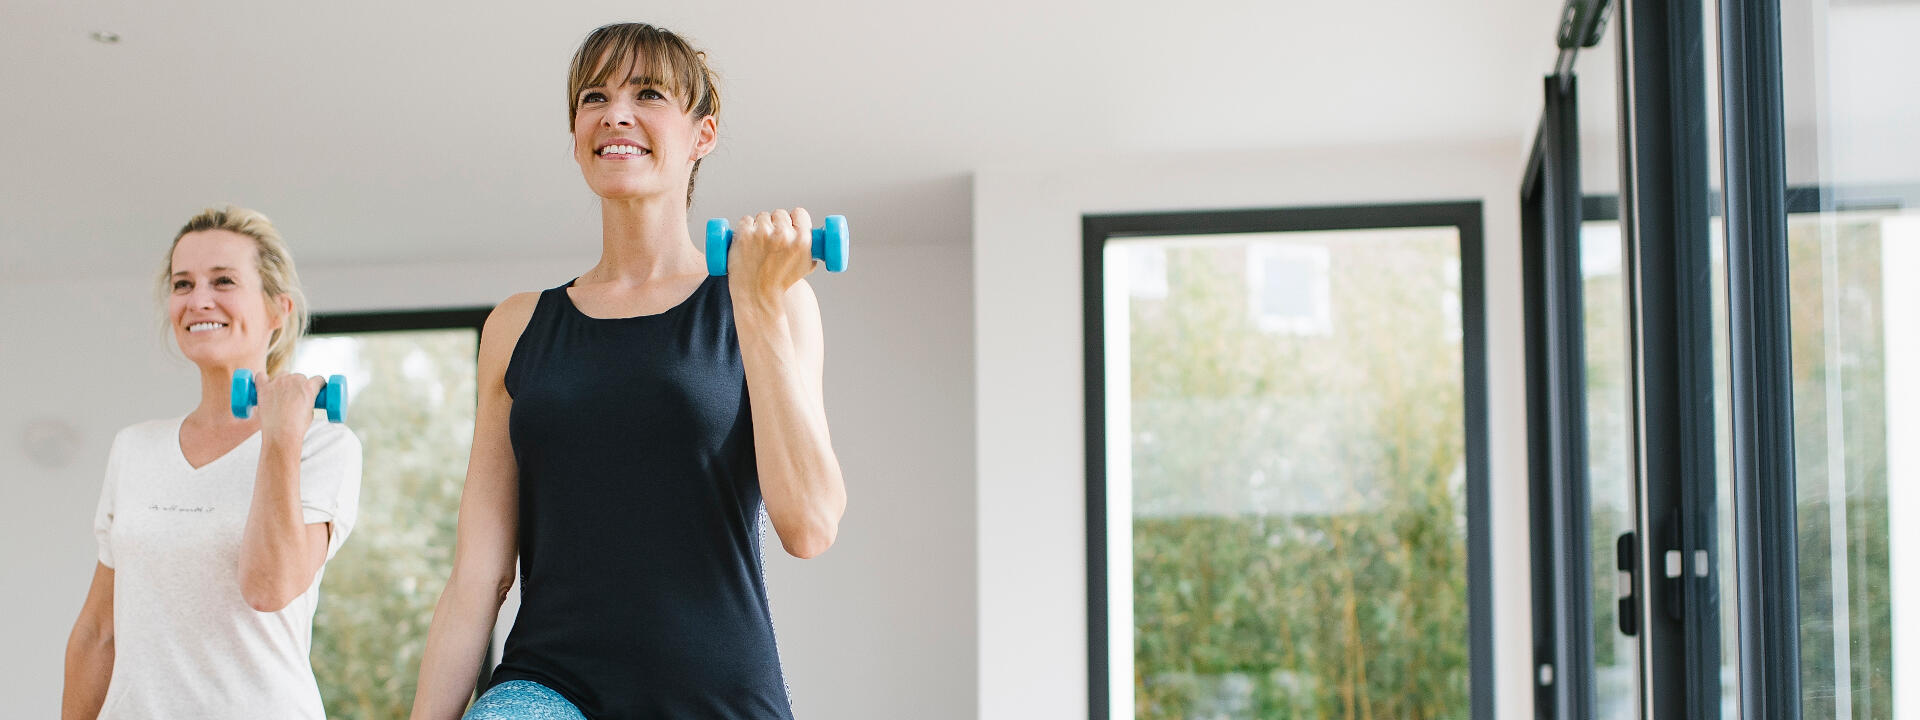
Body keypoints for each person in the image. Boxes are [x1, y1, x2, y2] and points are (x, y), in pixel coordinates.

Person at [409, 22, 846, 720]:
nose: (615, 113)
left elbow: (810, 526)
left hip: (717, 692)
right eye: (593, 96)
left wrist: (756, 303)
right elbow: (478, 575)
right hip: (547, 686)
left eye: (647, 93)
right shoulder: (519, 326)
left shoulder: (774, 298)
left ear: (702, 134)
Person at [61, 205, 363, 719]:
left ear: (278, 311)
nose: (199, 300)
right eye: (182, 284)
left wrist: (280, 437)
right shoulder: (134, 448)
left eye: (223, 281)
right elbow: (98, 633)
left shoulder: (322, 445)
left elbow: (268, 587)